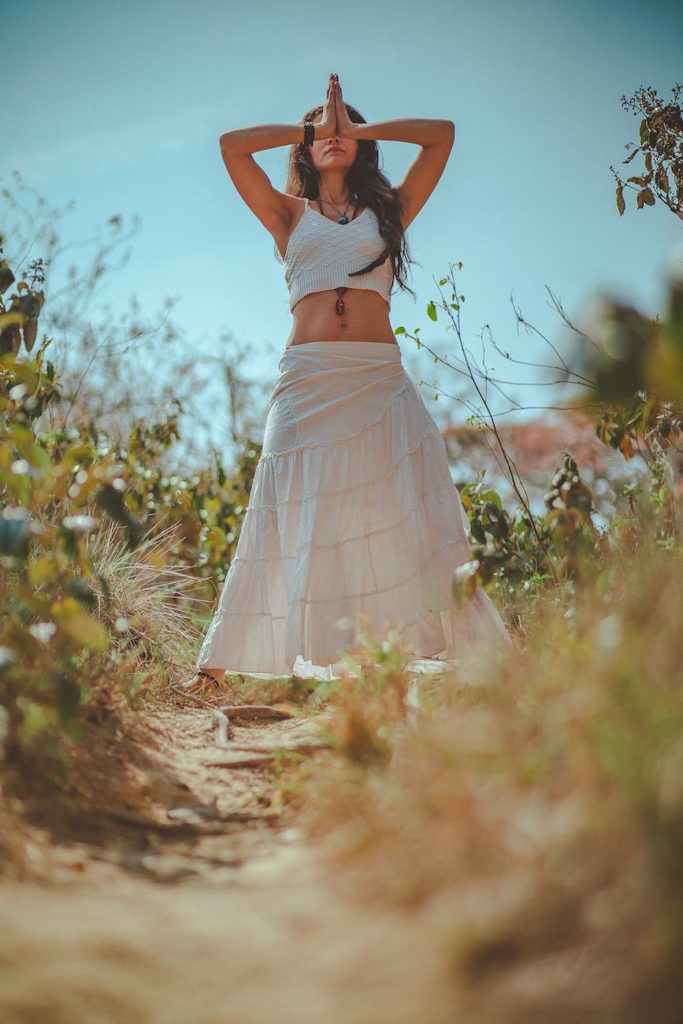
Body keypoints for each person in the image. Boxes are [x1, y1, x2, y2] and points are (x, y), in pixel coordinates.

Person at [183, 73, 512, 695]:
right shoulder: (287, 214)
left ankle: (464, 658)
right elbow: (231, 145)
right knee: (280, 506)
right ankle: (214, 668)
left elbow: (441, 138)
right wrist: (314, 127)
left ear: (360, 146)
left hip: (376, 376)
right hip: (307, 379)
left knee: (405, 504)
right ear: (305, 150)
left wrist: (355, 127)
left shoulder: (388, 212)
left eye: (344, 133)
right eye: (321, 134)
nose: (332, 138)